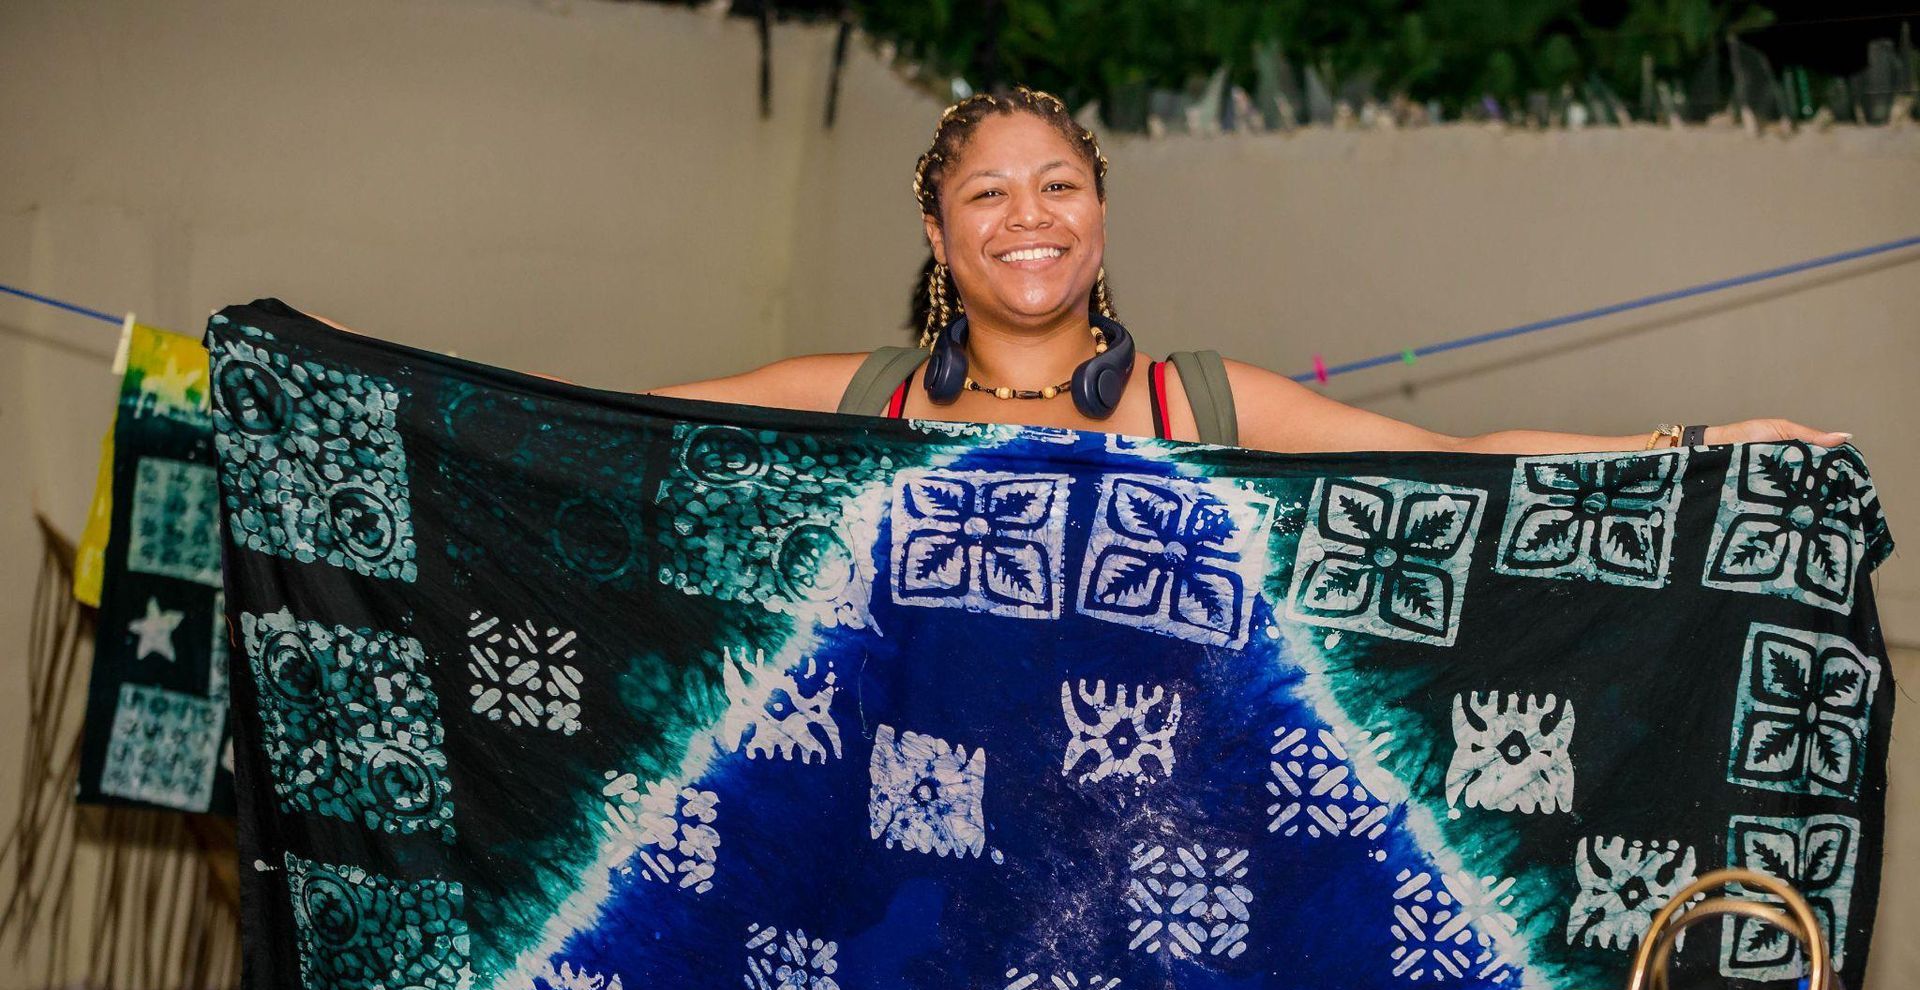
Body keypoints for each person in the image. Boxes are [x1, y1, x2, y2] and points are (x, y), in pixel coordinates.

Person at [649, 86, 1849, 456]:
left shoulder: (1197, 404)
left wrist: (1696, 444)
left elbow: (1455, 462)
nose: (1030, 217)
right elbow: (605, 427)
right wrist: (453, 400)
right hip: (902, 883)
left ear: (1100, 217)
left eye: (1059, 185)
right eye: (989, 193)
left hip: (1148, 881)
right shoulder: (863, 398)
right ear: (940, 236)